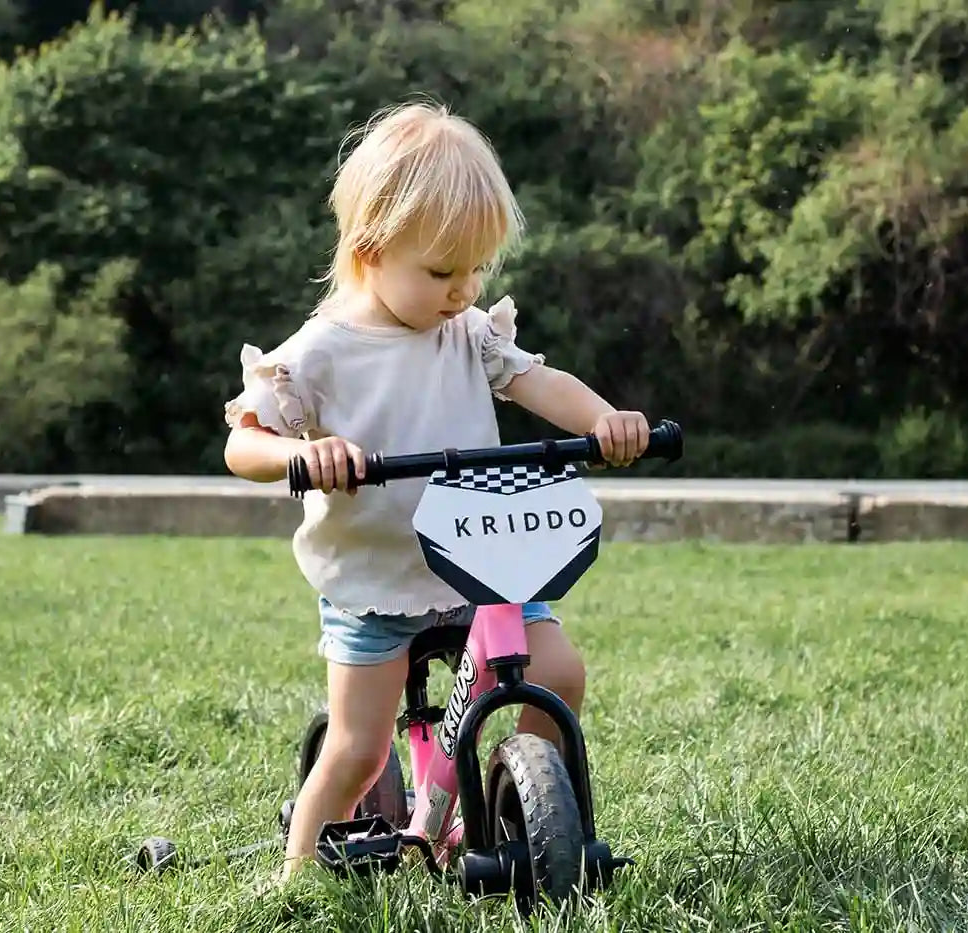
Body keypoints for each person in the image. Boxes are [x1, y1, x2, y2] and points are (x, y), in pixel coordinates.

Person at [221, 98, 650, 885]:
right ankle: (294, 876)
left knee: (559, 674)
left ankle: (529, 808)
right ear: (372, 248)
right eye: (443, 271)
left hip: (480, 561)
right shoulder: (321, 351)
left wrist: (605, 419)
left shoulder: (466, 330)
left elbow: (535, 380)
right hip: (376, 580)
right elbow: (241, 442)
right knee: (356, 749)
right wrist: (300, 454)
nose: (463, 291)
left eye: (477, 269)